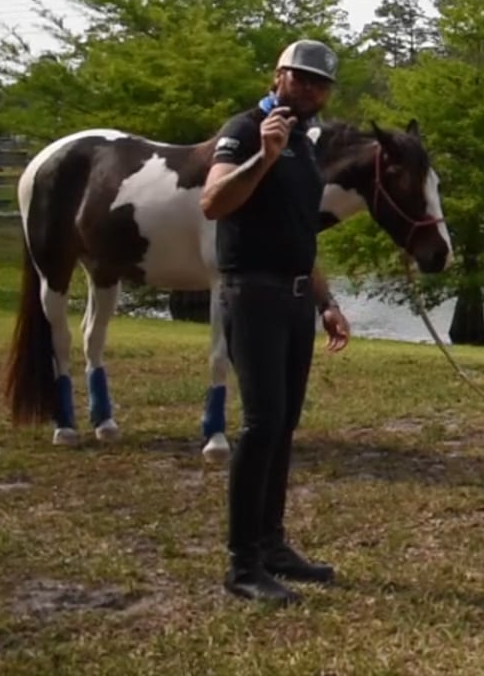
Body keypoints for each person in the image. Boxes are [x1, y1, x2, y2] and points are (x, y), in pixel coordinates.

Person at [200, 39, 353, 605]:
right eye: (301, 78)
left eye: (321, 83)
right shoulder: (245, 129)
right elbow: (213, 202)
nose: (311, 89)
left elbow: (301, 237)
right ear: (278, 75)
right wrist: (261, 158)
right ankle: (243, 565)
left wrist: (326, 302)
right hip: (253, 294)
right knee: (262, 424)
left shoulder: (308, 147)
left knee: (284, 424)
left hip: (294, 300)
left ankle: (272, 545)